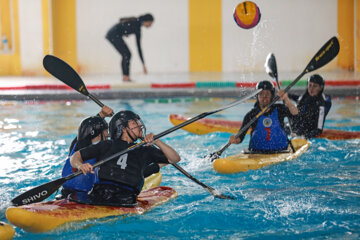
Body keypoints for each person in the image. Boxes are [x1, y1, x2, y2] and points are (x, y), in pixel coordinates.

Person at [69, 110, 180, 206]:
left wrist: (157, 141)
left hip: (127, 198)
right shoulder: (107, 145)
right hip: (99, 193)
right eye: (134, 122)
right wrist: (80, 165)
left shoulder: (146, 150)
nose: (140, 125)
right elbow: (75, 156)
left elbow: (174, 158)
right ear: (123, 129)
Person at [228, 80, 299, 152]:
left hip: (281, 151)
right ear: (257, 96)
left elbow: (295, 113)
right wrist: (235, 140)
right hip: (256, 154)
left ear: (272, 96)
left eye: (267, 94)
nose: (264, 97)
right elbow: (240, 138)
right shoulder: (251, 115)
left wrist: (286, 98)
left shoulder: (280, 109)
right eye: (261, 94)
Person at [59, 106, 113, 198]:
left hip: (66, 194)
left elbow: (87, 128)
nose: (108, 134)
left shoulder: (75, 144)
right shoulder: (102, 151)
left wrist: (101, 115)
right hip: (86, 197)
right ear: (99, 135)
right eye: (105, 131)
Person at [106, 13, 154, 82]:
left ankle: (126, 76)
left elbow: (138, 47)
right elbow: (121, 20)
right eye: (150, 23)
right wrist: (125, 32)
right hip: (113, 34)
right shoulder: (136, 24)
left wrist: (143, 64)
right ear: (146, 21)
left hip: (113, 34)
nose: (150, 25)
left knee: (127, 54)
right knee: (126, 54)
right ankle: (126, 77)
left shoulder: (137, 24)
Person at [289, 74, 332, 139]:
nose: (311, 89)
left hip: (308, 131)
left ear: (320, 88)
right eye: (310, 85)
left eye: (315, 86)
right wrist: (286, 95)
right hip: (297, 128)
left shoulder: (321, 105)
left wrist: (303, 137)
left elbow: (319, 130)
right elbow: (298, 99)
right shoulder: (305, 97)